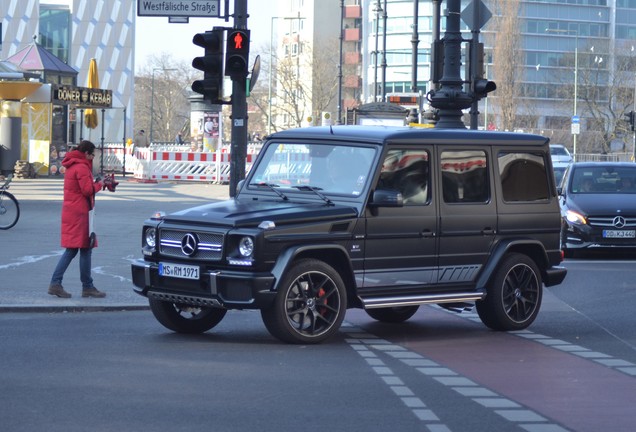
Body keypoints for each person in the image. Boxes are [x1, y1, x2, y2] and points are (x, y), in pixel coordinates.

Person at [48, 140, 107, 299]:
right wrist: (100, 184)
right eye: (92, 154)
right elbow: (87, 190)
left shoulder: (73, 164)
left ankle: (59, 283)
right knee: (82, 249)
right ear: (86, 153)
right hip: (80, 214)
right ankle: (82, 286)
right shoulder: (81, 167)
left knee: (75, 249)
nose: (93, 157)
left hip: (73, 212)